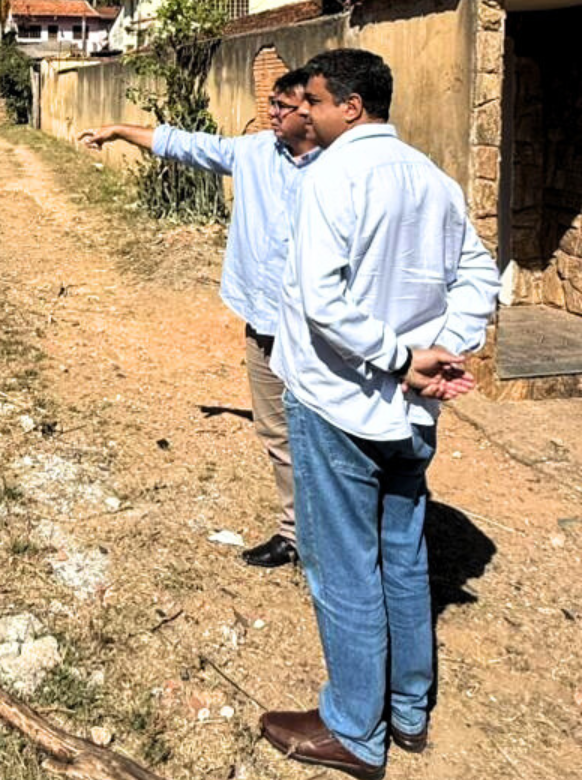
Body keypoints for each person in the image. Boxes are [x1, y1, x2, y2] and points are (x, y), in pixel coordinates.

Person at [259, 49, 500, 779]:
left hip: (343, 402)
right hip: (412, 411)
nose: (303, 113)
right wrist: (443, 347)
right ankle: (409, 707)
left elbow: (320, 299)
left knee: (344, 568)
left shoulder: (332, 177)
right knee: (403, 553)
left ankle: (355, 728)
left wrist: (401, 357)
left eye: (314, 102)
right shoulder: (432, 178)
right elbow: (480, 274)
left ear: (351, 108)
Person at [79, 70, 319, 568]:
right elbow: (185, 145)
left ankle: (339, 537)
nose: (271, 113)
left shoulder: (339, 170)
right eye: (271, 103)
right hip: (264, 321)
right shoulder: (253, 153)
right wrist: (120, 130)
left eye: (282, 105)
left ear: (311, 111)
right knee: (277, 432)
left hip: (320, 329)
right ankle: (296, 535)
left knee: (326, 433)